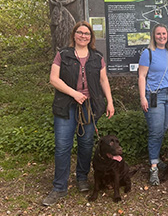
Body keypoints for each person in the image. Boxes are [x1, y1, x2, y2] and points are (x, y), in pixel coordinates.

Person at [42, 21, 115, 206]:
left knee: (86, 144)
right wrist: (74, 93)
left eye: (87, 33)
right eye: (80, 32)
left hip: (89, 107)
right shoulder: (63, 55)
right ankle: (59, 187)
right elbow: (53, 79)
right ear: (74, 35)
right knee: (62, 146)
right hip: (66, 106)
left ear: (91, 37)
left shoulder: (97, 57)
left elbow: (103, 80)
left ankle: (82, 178)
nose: (84, 36)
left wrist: (110, 101)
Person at [138, 24, 168, 186]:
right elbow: (142, 76)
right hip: (155, 95)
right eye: (158, 34)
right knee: (155, 131)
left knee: (162, 129)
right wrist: (143, 97)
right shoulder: (148, 53)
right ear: (153, 36)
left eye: (164, 34)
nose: (161, 36)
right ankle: (154, 167)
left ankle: (155, 158)